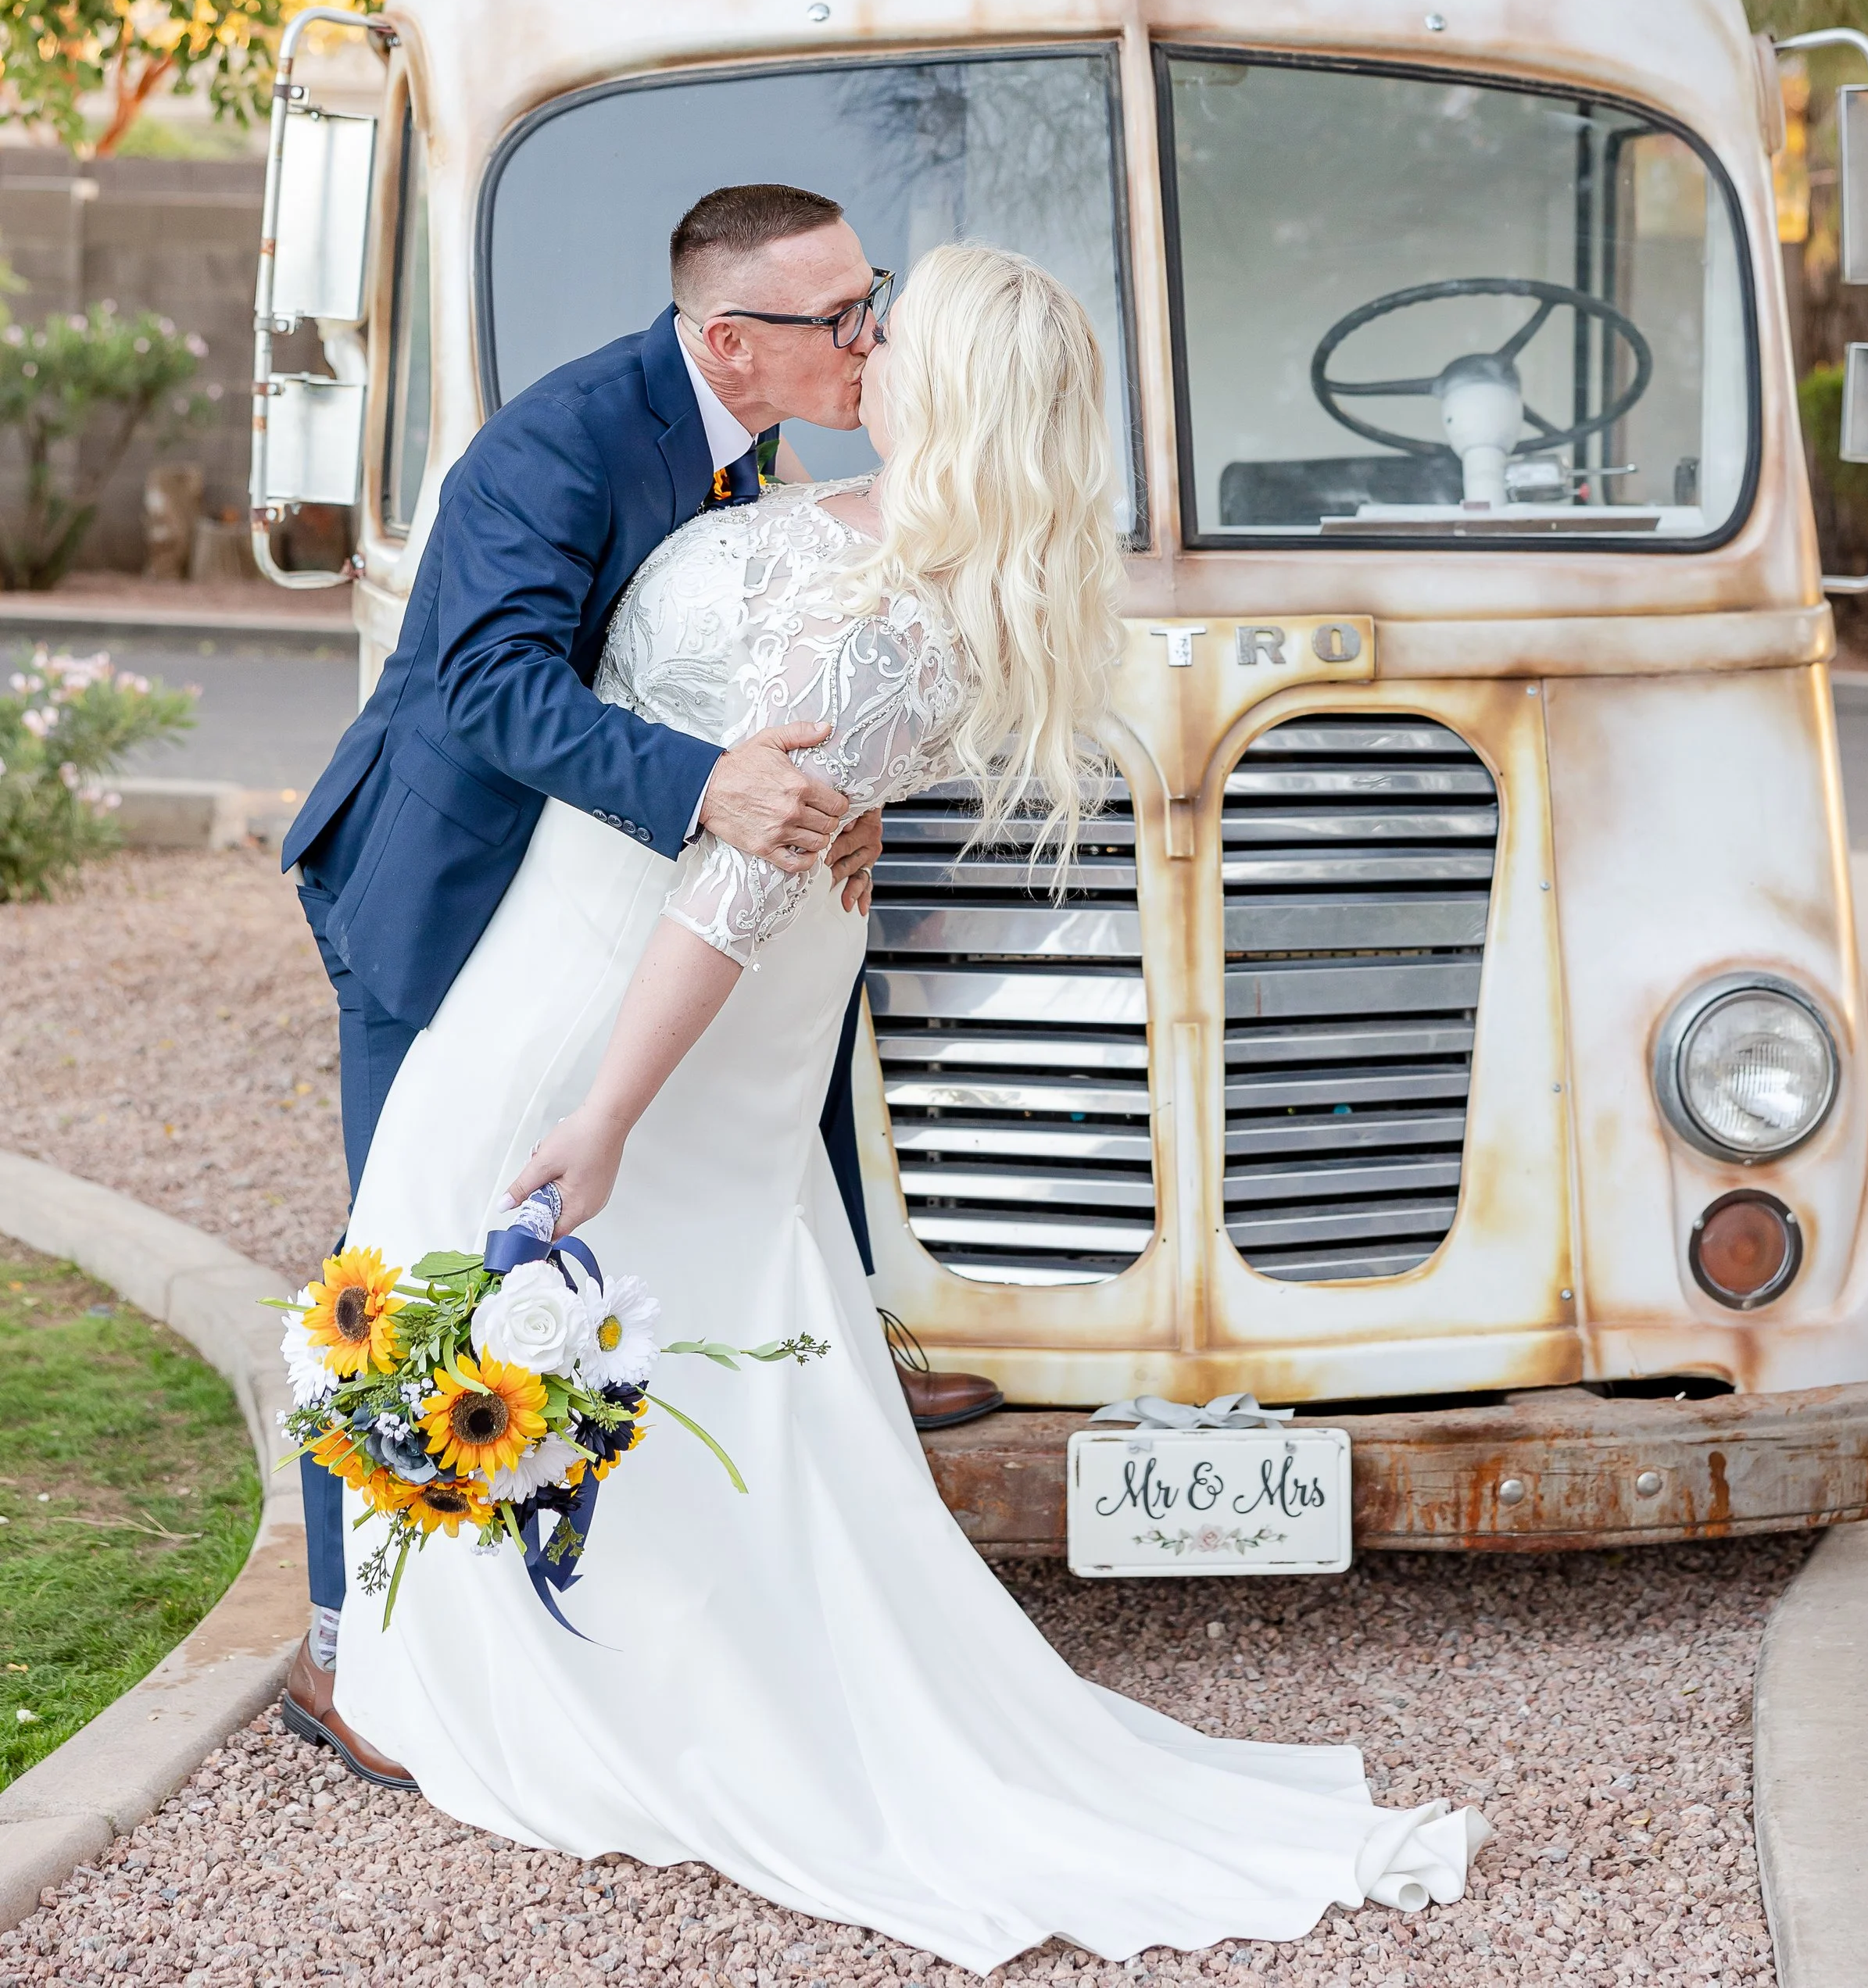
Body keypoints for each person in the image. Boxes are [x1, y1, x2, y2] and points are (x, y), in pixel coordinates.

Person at [327, 244, 1487, 1963]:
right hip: (577, 931)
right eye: (852, 315)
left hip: (616, 989)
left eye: (894, 325)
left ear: (949, 384)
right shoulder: (834, 520)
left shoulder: (890, 607)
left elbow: (732, 890)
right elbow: (665, 745)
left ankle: (564, 1683)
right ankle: (487, 1649)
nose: (864, 341)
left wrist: (610, 1107)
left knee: (526, 1276)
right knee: (579, 1302)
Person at [280, 184, 1000, 1793]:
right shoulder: (561, 443)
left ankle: (783, 1414)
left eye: (870, 300)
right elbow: (488, 687)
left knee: (728, 1134)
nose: (871, 336)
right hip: (443, 887)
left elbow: (758, 651)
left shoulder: (763, 443)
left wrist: (844, 790)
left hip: (617, 892)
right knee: (406, 1237)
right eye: (841, 320)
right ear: (726, 341)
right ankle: (339, 1646)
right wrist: (711, 791)